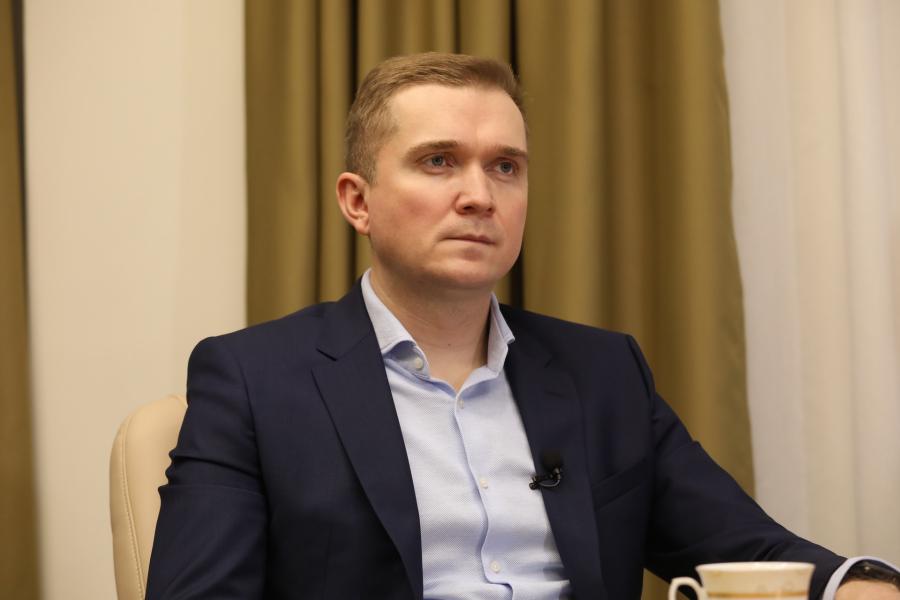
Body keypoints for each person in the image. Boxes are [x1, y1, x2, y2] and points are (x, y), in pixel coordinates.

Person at [146, 53, 900, 599]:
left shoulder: (603, 372)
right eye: (439, 161)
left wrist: (863, 583)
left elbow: (749, 549)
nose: (480, 195)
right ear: (358, 201)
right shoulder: (254, 380)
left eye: (505, 166)